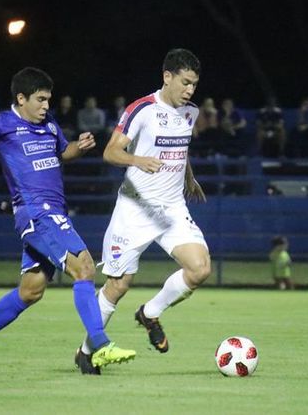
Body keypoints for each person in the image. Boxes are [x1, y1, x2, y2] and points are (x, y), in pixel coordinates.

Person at [0, 67, 135, 376]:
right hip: (36, 212)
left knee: (31, 290)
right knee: (83, 266)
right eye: (41, 100)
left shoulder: (48, 124)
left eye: (48, 100)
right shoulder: (3, 124)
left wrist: (78, 148)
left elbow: (62, 152)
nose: (47, 106)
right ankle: (99, 344)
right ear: (21, 98)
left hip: (52, 211)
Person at [75, 49, 211, 373]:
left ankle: (149, 313)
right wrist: (138, 160)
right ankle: (85, 350)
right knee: (118, 284)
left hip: (172, 209)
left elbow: (180, 148)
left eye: (194, 84)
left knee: (200, 268)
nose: (190, 90)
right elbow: (110, 152)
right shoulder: (141, 109)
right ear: (167, 77)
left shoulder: (189, 112)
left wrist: (189, 178)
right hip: (135, 209)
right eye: (185, 82)